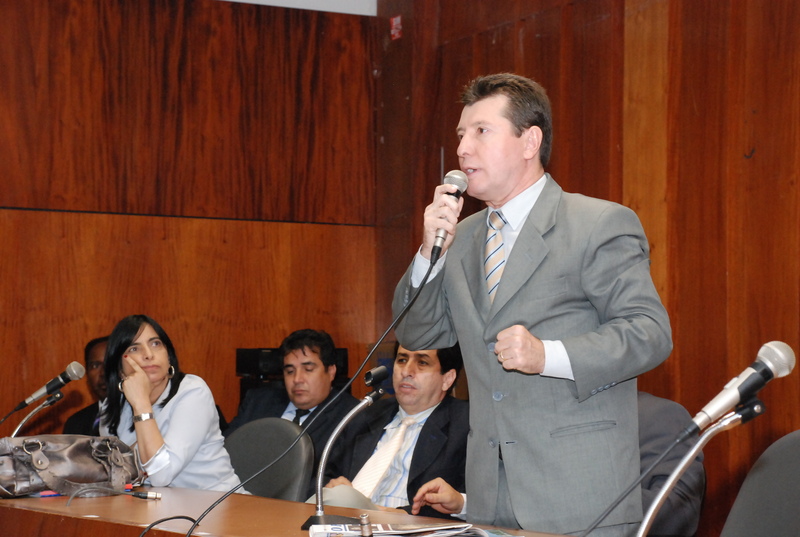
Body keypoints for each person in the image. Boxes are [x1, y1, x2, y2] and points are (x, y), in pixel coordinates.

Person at [392, 73, 673, 536]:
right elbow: (419, 333)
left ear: (530, 141)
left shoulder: (597, 223)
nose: (462, 148)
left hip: (578, 497)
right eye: (461, 134)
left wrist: (548, 355)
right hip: (489, 496)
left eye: (481, 131)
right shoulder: (460, 238)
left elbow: (649, 333)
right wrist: (428, 252)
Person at [412, 392, 705, 536]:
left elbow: (677, 512)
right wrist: (464, 503)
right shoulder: (537, 415)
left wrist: (574, 492)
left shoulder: (659, 414)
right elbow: (529, 500)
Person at [318, 342, 468, 519]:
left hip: (411, 525)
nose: (406, 371)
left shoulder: (466, 425)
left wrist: (403, 515)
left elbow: (468, 500)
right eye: (402, 360)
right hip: (347, 520)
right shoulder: (365, 415)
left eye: (422, 363)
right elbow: (322, 476)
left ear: (447, 379)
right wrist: (331, 485)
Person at [99, 314, 244, 492]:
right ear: (119, 367)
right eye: (134, 348)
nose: (148, 354)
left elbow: (161, 475)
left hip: (216, 501)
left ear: (168, 356)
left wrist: (141, 404)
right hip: (152, 503)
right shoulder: (111, 406)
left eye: (155, 344)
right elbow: (112, 473)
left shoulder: (193, 392)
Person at [224, 329, 359, 497]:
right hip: (241, 499)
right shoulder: (257, 403)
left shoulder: (352, 416)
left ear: (331, 371)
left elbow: (336, 481)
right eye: (290, 371)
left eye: (308, 369)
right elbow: (225, 454)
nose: (297, 379)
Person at [63, 336, 108, 435]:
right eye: (95, 366)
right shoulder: (75, 423)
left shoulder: (138, 414)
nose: (103, 373)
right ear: (87, 372)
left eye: (110, 364)